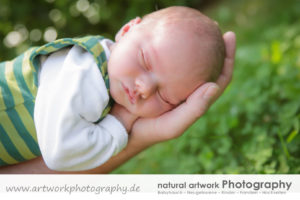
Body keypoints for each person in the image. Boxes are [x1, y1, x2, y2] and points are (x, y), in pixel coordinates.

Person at [0, 6, 235, 173]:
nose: (145, 87)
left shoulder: (107, 86)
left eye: (165, 96)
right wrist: (120, 123)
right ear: (126, 31)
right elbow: (60, 153)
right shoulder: (86, 72)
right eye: (145, 61)